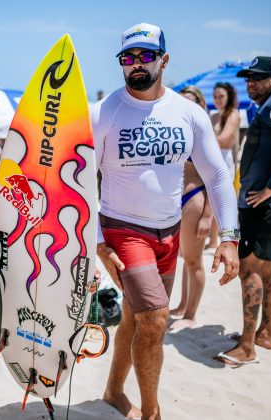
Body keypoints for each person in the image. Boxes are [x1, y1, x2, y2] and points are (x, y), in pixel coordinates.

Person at [91, 23, 240, 419]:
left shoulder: (189, 113)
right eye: (127, 58)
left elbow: (218, 175)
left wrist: (229, 236)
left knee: (133, 317)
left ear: (164, 59)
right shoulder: (103, 112)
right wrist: (95, 239)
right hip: (122, 228)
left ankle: (112, 391)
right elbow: (78, 179)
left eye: (145, 56)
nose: (136, 65)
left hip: (169, 232)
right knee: (156, 319)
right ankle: (152, 412)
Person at [214, 56, 271, 367]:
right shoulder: (269, 105)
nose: (251, 82)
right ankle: (264, 333)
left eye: (259, 77)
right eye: (248, 78)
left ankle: (246, 347)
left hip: (265, 203)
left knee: (249, 270)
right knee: (269, 268)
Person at [169, 86, 214, 330]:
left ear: (200, 104)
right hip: (177, 200)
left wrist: (208, 215)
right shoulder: (178, 131)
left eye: (191, 102)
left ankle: (191, 314)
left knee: (194, 260)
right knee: (184, 258)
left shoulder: (202, 133)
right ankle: (183, 305)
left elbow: (216, 178)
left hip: (195, 198)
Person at [206, 82, 241, 250]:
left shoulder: (233, 115)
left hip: (225, 159)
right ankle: (213, 241)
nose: (217, 100)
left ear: (229, 97)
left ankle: (229, 240)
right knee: (210, 201)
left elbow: (223, 141)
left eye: (221, 96)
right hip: (211, 159)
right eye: (215, 96)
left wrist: (205, 124)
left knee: (224, 201)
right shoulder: (213, 116)